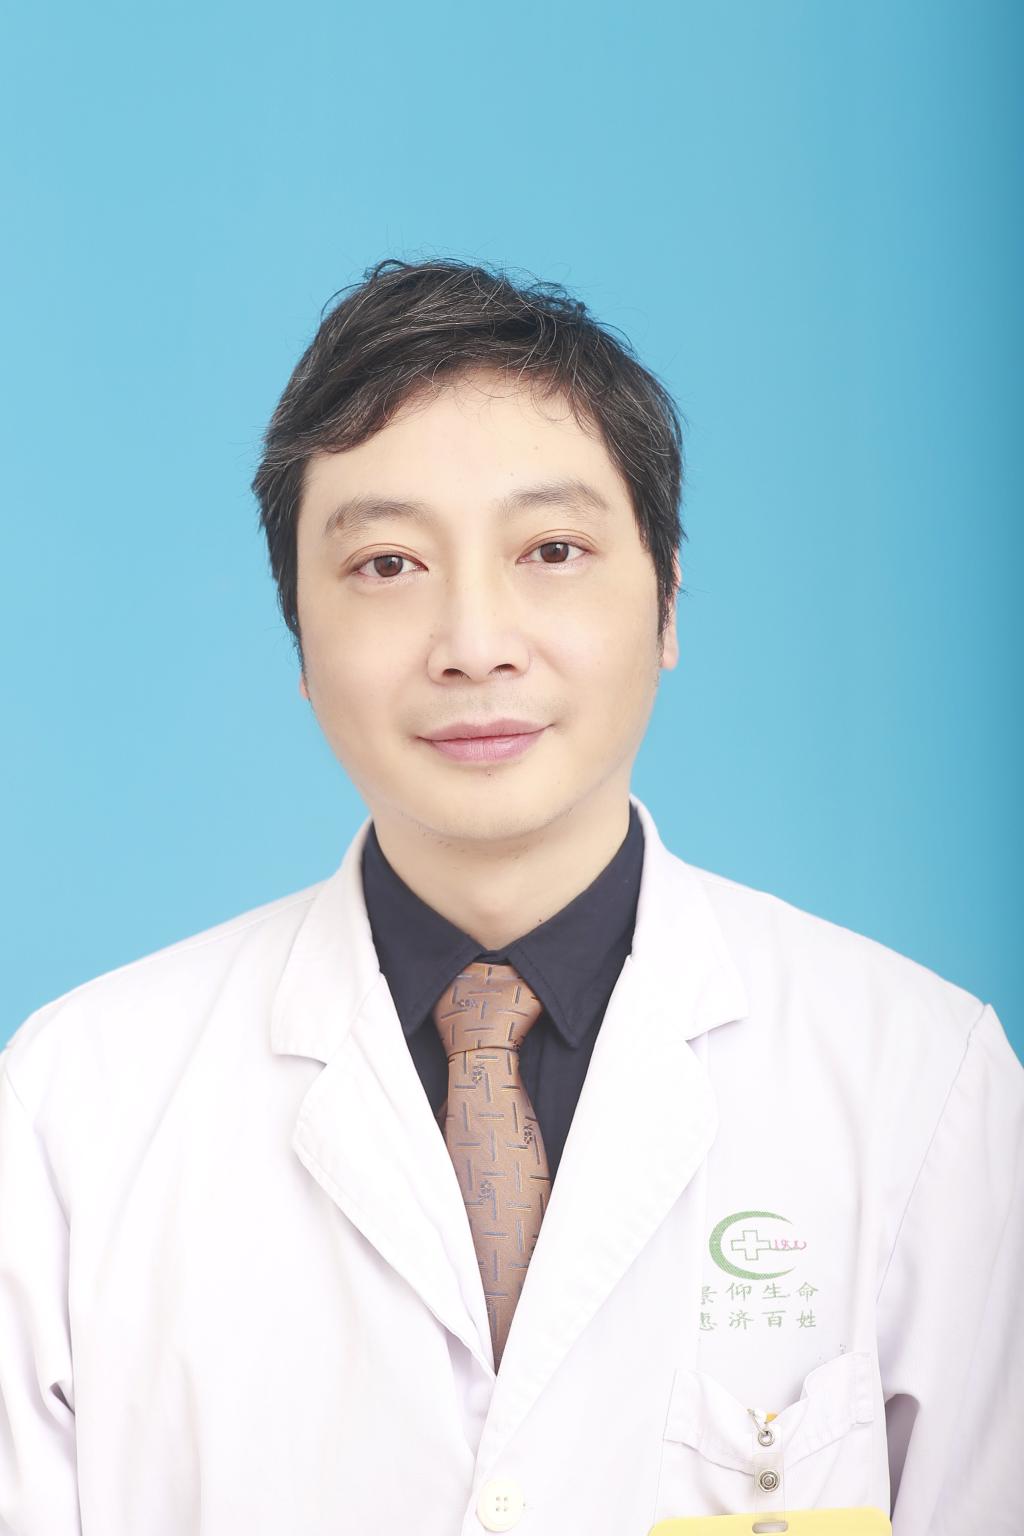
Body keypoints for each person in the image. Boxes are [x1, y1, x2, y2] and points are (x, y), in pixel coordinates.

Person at [0, 257, 1019, 1536]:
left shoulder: (921, 1083)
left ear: (666, 601)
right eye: (387, 564)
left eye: (552, 550)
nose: (474, 644)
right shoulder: (74, 1109)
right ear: (298, 638)